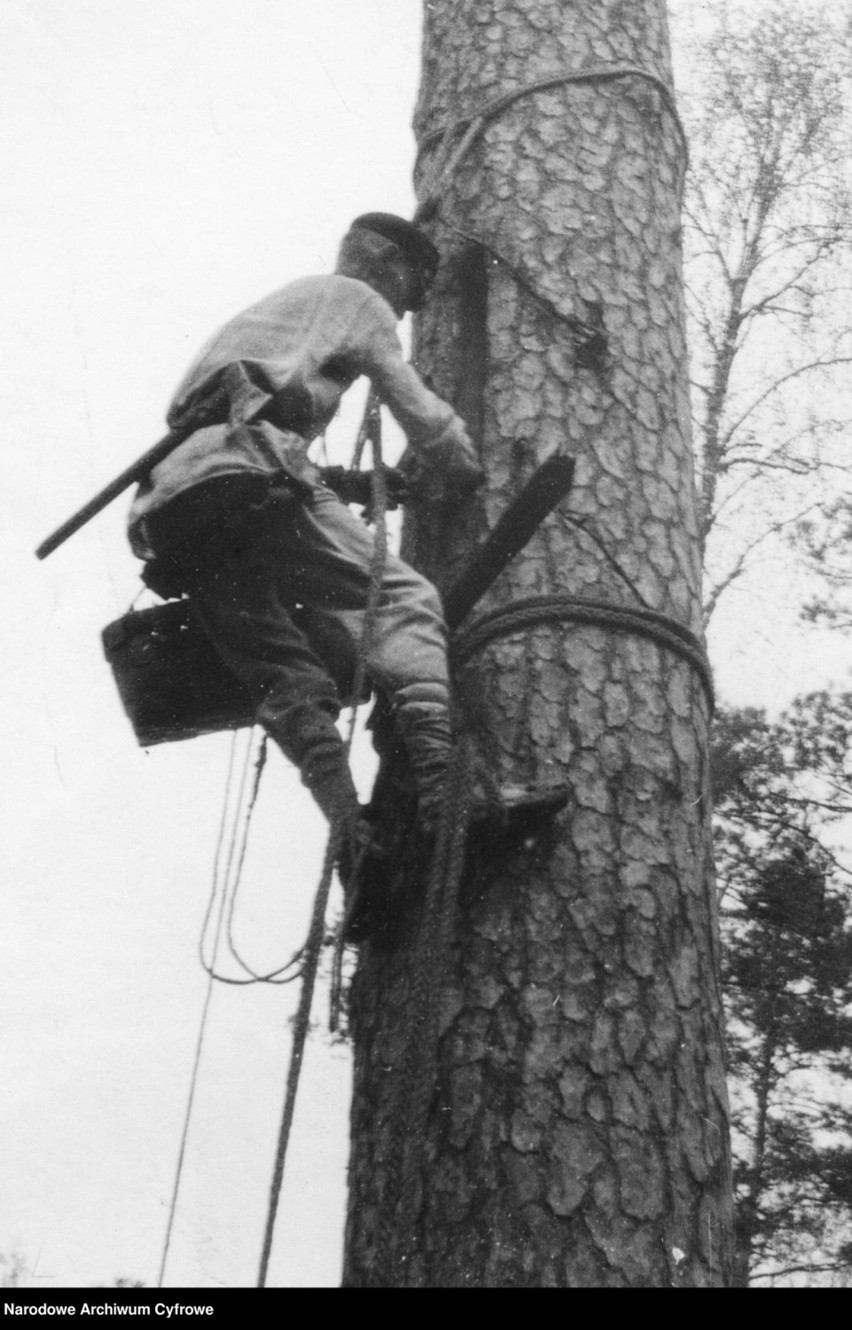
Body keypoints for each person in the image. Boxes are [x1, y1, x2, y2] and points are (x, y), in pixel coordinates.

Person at [127, 213, 482, 844]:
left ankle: (352, 836)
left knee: (286, 676)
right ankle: (443, 802)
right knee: (405, 601)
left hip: (176, 500)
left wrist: (340, 483)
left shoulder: (282, 311)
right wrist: (464, 467)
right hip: (248, 471)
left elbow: (247, 407)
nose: (402, 313)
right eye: (410, 295)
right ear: (394, 270)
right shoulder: (359, 300)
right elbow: (420, 413)